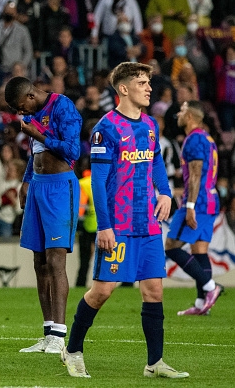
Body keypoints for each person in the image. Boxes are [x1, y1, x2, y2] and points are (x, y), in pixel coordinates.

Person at [62, 62, 189, 378]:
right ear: (123, 88)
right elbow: (100, 181)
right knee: (102, 291)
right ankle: (72, 350)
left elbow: (156, 159)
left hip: (147, 224)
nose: (149, 88)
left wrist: (165, 191)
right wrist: (104, 226)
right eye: (142, 83)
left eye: (148, 82)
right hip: (117, 227)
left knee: (154, 292)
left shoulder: (148, 125)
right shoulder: (106, 128)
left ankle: (154, 363)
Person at [4, 76, 81, 354]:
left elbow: (73, 150)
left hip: (61, 187)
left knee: (55, 259)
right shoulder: (35, 114)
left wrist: (38, 135)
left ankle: (60, 337)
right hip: (37, 185)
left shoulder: (63, 107)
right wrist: (26, 181)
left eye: (20, 106)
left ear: (31, 97)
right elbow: (35, 152)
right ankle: (48, 333)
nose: (20, 112)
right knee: (39, 261)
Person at [165, 100, 223, 315]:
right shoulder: (208, 139)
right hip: (210, 200)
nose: (178, 113)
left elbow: (196, 174)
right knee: (200, 250)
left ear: (190, 116)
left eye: (181, 110)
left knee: (171, 246)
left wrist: (189, 206)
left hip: (197, 202)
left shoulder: (195, 139)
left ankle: (210, 287)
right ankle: (201, 304)